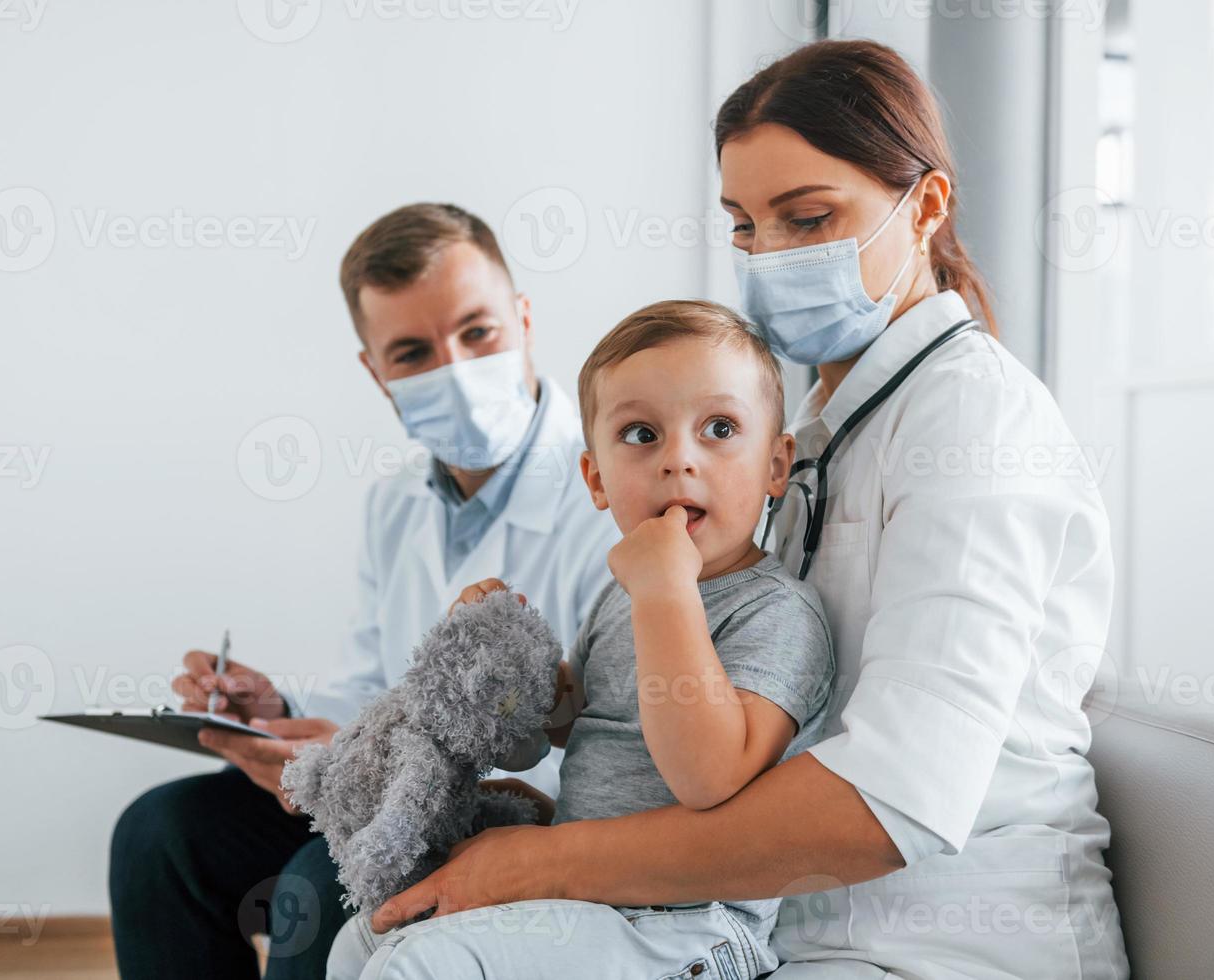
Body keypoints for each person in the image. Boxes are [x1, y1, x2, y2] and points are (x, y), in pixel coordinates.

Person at [364, 41, 1130, 980]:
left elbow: (898, 799)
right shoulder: (812, 430)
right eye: (743, 225)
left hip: (949, 944)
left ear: (925, 207)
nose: (769, 257)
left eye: (808, 219)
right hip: (788, 931)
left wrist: (545, 865)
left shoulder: (974, 423)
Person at [107, 203, 621, 980]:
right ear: (375, 372)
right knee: (159, 833)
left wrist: (384, 766)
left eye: (477, 333)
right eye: (413, 352)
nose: (453, 369)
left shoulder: (612, 490)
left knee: (317, 887)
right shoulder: (395, 504)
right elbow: (373, 687)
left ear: (523, 320)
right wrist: (281, 721)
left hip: (518, 812)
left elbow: (607, 748)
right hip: (383, 793)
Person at [326, 299, 835, 980]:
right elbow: (573, 724)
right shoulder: (621, 595)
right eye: (640, 435)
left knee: (426, 964)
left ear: (776, 467)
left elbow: (710, 776)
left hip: (691, 924)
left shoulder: (777, 613)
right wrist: (506, 672)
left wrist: (666, 596)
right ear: (596, 479)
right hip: (597, 903)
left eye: (719, 428)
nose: (679, 460)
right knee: (363, 941)